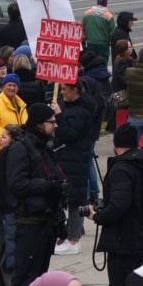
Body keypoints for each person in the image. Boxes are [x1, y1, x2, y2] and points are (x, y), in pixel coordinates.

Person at [1, 104, 66, 286]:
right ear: (39, 123)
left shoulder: (45, 147)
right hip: (29, 224)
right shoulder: (21, 149)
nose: (55, 125)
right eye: (51, 122)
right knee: (22, 282)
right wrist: (48, 186)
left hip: (45, 222)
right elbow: (16, 184)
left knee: (38, 282)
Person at [92, 125, 143, 286]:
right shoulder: (141, 164)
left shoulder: (121, 169)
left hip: (122, 240)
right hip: (137, 237)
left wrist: (97, 216)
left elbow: (119, 206)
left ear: (116, 143)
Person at [52, 81, 101, 256]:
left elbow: (70, 134)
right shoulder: (69, 106)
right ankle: (67, 235)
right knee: (68, 197)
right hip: (66, 158)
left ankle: (74, 239)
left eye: (65, 90)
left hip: (76, 159)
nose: (62, 93)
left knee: (75, 199)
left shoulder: (82, 111)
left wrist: (58, 116)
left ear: (76, 91)